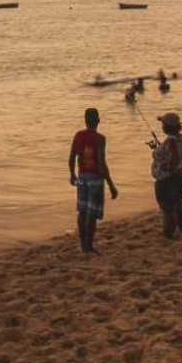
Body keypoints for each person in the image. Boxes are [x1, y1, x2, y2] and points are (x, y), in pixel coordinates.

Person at [69, 108, 119, 254]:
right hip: (95, 179)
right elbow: (101, 163)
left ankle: (83, 244)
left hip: (82, 178)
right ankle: (88, 246)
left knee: (82, 212)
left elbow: (72, 156)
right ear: (98, 120)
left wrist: (72, 174)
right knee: (91, 214)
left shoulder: (78, 135)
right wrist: (111, 185)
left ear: (85, 120)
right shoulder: (100, 139)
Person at [150, 112, 182, 239]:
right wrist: (157, 148)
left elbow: (172, 159)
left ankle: (169, 233)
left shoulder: (170, 143)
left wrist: (166, 167)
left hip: (168, 178)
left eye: (163, 124)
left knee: (167, 207)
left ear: (166, 127)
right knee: (179, 202)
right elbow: (179, 155)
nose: (162, 126)